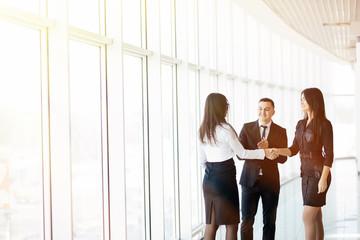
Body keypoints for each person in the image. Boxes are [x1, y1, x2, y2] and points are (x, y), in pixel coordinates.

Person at [198, 93, 277, 240]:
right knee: (231, 224)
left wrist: (212, 171)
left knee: (211, 225)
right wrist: (264, 152)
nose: (227, 109)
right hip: (225, 178)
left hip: (208, 179)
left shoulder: (203, 129)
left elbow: (202, 160)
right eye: (226, 106)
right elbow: (242, 153)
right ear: (221, 108)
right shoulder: (225, 129)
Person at [272, 88, 333, 240]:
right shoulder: (301, 124)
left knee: (307, 217)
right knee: (316, 216)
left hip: (319, 175)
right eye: (301, 99)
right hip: (305, 174)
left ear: (314, 100)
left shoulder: (325, 125)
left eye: (304, 99)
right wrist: (277, 150)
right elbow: (293, 149)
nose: (301, 102)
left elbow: (329, 154)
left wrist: (323, 179)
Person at [238, 98, 288, 240]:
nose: (263, 112)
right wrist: (260, 151)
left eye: (266, 109)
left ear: (273, 112)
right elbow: (240, 155)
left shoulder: (280, 131)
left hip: (270, 182)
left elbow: (283, 159)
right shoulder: (247, 128)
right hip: (249, 181)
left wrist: (270, 148)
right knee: (246, 221)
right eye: (260, 108)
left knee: (270, 222)